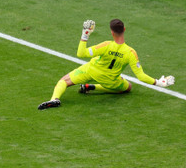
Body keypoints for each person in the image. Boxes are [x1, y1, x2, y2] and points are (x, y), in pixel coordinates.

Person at [38, 19, 175, 110]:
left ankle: (55, 99)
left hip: (90, 71)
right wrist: (160, 83)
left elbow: (81, 53)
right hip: (110, 80)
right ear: (124, 29)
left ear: (111, 32)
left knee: (64, 81)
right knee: (128, 88)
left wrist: (85, 35)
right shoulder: (131, 53)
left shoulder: (105, 45)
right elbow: (141, 76)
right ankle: (91, 87)